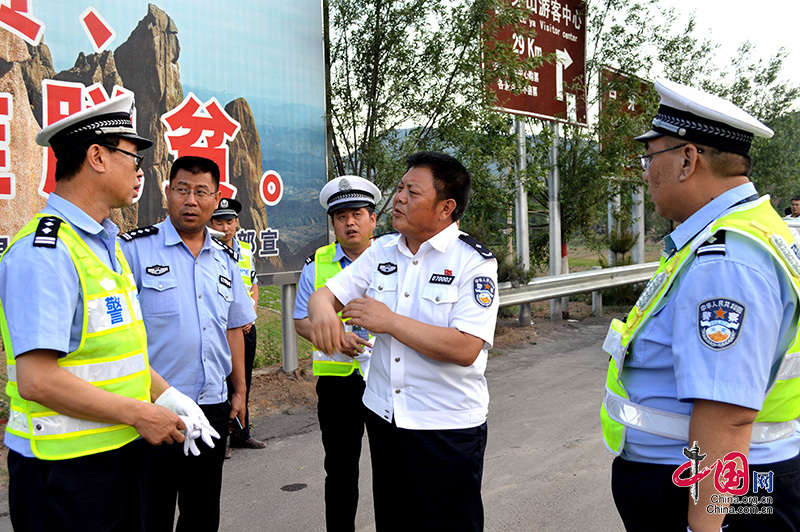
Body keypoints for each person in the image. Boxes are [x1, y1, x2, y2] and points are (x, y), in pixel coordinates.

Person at [0, 94, 214, 531]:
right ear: (96, 156)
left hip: (117, 456)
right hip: (64, 473)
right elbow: (38, 380)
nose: (139, 170)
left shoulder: (106, 245)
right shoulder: (48, 251)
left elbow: (116, 354)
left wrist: (166, 395)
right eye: (131, 156)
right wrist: (138, 413)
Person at [600, 78, 800, 532]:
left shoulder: (727, 258)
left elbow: (726, 417)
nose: (645, 172)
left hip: (715, 493)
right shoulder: (742, 232)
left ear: (689, 160)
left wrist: (703, 527)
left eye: (650, 157)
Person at [308, 152, 499, 532]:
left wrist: (390, 322)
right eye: (399, 188)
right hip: (386, 418)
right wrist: (324, 311)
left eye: (412, 192)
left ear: (446, 208)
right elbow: (325, 295)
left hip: (445, 427)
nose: (398, 198)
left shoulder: (472, 263)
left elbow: (466, 348)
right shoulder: (381, 252)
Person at [120, 156, 257, 532]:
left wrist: (240, 390)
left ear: (216, 200)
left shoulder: (226, 260)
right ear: (167, 193)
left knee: (202, 510)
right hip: (154, 407)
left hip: (211, 404)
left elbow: (234, 328)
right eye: (182, 190)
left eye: (201, 192)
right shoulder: (133, 251)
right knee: (152, 512)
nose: (191, 200)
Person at [293, 175, 380, 531]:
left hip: (385, 378)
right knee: (340, 470)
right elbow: (301, 321)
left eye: (358, 214)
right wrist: (333, 337)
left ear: (373, 219)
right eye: (341, 216)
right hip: (336, 383)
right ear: (333, 223)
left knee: (392, 468)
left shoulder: (394, 261)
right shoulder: (317, 266)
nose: (350, 222)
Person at [208, 197, 267, 454]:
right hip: (220, 328)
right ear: (210, 223)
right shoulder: (206, 250)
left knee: (243, 382)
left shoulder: (245, 250)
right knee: (221, 382)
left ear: (237, 223)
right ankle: (220, 436)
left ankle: (242, 433)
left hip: (245, 327)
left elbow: (252, 284)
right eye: (219, 221)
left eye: (229, 221)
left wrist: (249, 313)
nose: (225, 227)